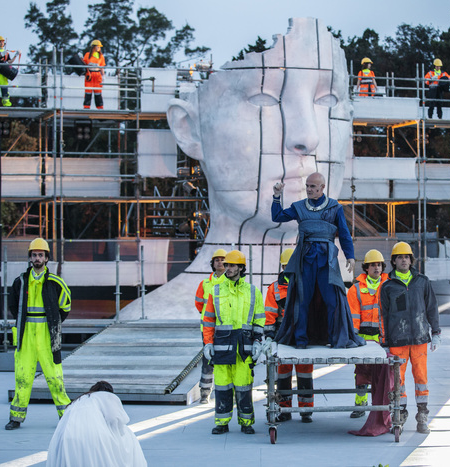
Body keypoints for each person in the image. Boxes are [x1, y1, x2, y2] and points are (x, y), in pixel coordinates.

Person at [119, 18, 353, 321]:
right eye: (263, 98)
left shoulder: (357, 299)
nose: (308, 136)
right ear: (189, 129)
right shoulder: (158, 314)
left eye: (327, 100)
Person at [271, 172, 364, 349]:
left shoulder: (334, 207)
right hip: (305, 258)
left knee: (331, 299)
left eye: (313, 186)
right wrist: (276, 197)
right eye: (307, 186)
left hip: (327, 260)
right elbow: (277, 217)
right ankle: (300, 340)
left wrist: (350, 256)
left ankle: (335, 339)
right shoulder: (299, 207)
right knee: (302, 299)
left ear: (322, 188)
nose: (309, 189)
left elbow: (344, 233)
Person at [5, 238, 72, 430]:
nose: (37, 258)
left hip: (47, 336)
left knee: (54, 377)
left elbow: (65, 305)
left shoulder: (55, 282)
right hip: (25, 337)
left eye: (40, 255)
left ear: (46, 258)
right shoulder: (20, 282)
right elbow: (13, 306)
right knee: (23, 377)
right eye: (34, 255)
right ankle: (16, 417)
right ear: (30, 257)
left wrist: (54, 323)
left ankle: (65, 416)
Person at [379, 242, 441, 434]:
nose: (404, 259)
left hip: (420, 339)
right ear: (394, 261)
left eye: (407, 256)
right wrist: (385, 342)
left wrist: (436, 332)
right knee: (398, 381)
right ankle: (400, 414)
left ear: (411, 260)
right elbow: (384, 315)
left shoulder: (422, 282)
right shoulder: (387, 286)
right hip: (397, 341)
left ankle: (422, 415)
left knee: (421, 378)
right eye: (400, 257)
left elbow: (432, 308)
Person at [203, 250, 265, 434]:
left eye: (231, 265)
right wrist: (207, 343)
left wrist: (258, 342)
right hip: (222, 348)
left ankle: (246, 423)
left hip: (243, 348)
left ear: (241, 268)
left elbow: (259, 319)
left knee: (244, 385)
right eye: (226, 265)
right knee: (222, 386)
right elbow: (208, 320)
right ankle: (222, 422)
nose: (227, 268)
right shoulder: (216, 291)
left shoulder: (253, 291)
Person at [264, 248, 314, 423]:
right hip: (283, 337)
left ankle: (306, 410)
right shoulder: (274, 289)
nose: (289, 269)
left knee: (305, 373)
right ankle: (284, 410)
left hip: (302, 337)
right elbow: (269, 314)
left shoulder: (308, 284)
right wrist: (269, 336)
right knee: (283, 375)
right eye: (286, 265)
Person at [46, 381, 147, 467]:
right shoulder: (107, 396)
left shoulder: (79, 400)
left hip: (64, 439)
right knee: (128, 435)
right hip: (91, 437)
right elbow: (116, 420)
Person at [347, 249, 389, 418]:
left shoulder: (388, 287)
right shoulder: (355, 289)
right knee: (362, 373)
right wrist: (354, 337)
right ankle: (360, 403)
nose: (376, 268)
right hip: (363, 339)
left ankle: (380, 405)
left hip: (381, 339)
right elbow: (353, 316)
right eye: (373, 265)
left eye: (378, 264)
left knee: (382, 374)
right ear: (366, 268)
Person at [194, 248, 227, 404]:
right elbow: (199, 303)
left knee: (225, 361)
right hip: (208, 329)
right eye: (217, 260)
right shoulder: (205, 283)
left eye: (223, 259)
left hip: (225, 329)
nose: (220, 262)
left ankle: (224, 392)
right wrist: (208, 317)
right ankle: (205, 393)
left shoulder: (230, 283)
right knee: (207, 361)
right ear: (212, 264)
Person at [0, 35, 20, 107]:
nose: (2, 43)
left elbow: (10, 62)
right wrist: (1, 55)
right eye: (0, 42)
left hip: (3, 69)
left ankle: (6, 103)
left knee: (4, 86)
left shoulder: (7, 53)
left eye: (2, 42)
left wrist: (16, 55)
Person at [83, 40, 106, 110]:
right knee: (88, 92)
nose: (99, 48)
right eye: (98, 46)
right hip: (89, 75)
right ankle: (86, 107)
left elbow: (102, 66)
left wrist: (103, 75)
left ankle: (100, 107)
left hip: (97, 75)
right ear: (94, 47)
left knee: (98, 92)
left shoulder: (101, 56)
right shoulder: (87, 55)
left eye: (99, 47)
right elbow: (84, 64)